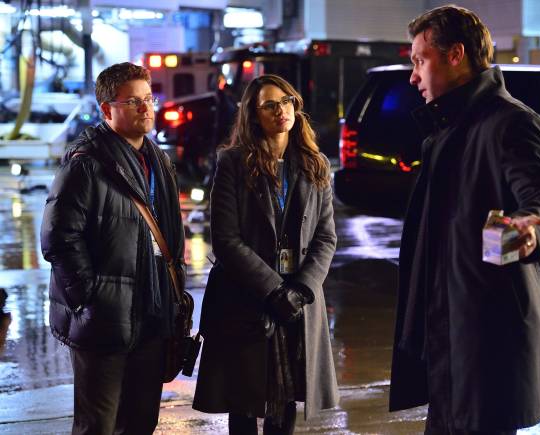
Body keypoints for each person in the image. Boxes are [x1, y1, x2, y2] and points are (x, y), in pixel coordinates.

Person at [389, 5, 540, 435]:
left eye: (420, 61)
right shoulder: (447, 130)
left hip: (486, 346)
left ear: (455, 55)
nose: (413, 77)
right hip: (447, 343)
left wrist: (529, 230)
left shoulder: (512, 123)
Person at [41, 62, 185, 434]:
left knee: (141, 422)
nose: (146, 108)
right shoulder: (86, 164)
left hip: (152, 313)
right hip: (104, 321)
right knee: (98, 426)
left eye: (149, 98)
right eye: (133, 101)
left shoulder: (158, 160)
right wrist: (91, 298)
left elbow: (170, 234)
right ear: (107, 110)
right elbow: (58, 238)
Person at [192, 74, 339, 435]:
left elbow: (325, 237)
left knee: (285, 399)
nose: (280, 111)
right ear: (253, 115)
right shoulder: (233, 163)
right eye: (270, 105)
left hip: (298, 301)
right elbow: (225, 239)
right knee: (243, 401)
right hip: (247, 297)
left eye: (286, 101)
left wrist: (301, 290)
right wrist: (274, 290)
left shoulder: (315, 163)